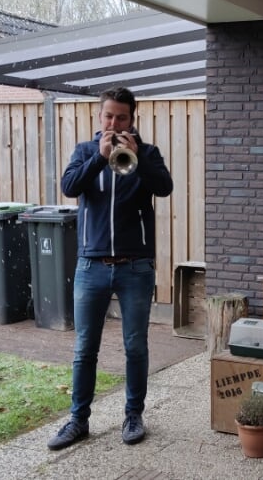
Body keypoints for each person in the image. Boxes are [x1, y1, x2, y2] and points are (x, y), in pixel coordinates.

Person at [47, 87, 173, 450]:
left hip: (136, 267)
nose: (114, 122)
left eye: (121, 117)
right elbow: (70, 186)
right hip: (91, 266)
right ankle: (78, 420)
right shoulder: (85, 152)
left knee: (135, 346)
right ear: (99, 117)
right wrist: (100, 159)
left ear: (132, 119)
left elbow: (164, 187)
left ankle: (133, 415)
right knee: (85, 348)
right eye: (108, 116)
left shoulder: (147, 154)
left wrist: (139, 157)